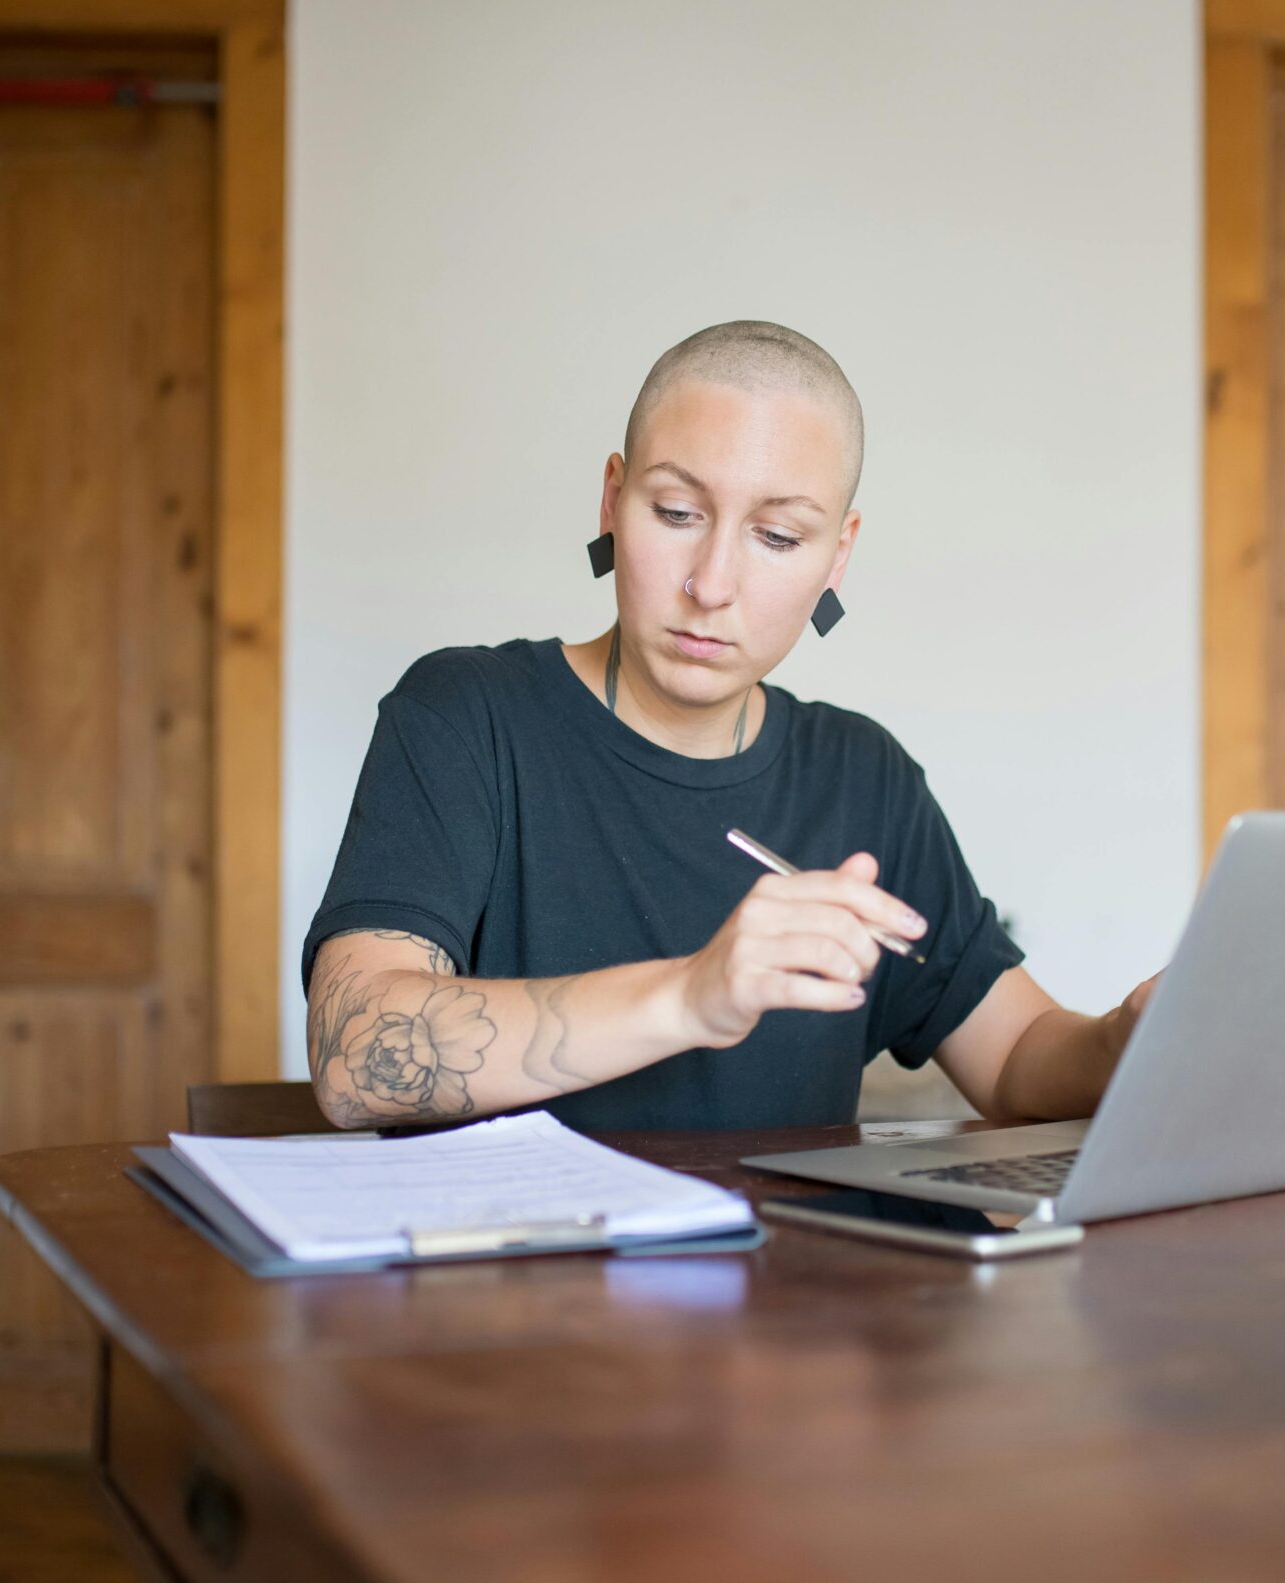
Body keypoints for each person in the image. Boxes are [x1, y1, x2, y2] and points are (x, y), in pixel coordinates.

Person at [304, 320, 1154, 1130]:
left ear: (838, 556)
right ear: (613, 498)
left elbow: (1011, 1061)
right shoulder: (466, 717)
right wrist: (690, 996)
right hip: (508, 1277)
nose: (711, 583)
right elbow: (352, 1058)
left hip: (781, 1279)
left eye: (778, 536)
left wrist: (1126, 1039)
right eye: (676, 513)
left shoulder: (863, 778)